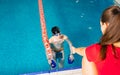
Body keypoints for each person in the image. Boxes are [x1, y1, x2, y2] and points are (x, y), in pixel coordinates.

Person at [72, 5, 120, 75]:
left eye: (101, 24)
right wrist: (75, 50)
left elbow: (86, 52)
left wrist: (75, 50)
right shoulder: (98, 51)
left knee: (87, 58)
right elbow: (85, 51)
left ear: (106, 25)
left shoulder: (97, 50)